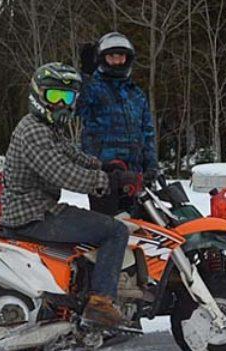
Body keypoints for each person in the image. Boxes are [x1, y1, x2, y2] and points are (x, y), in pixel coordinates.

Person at [0, 62, 137, 329]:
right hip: (33, 215)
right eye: (55, 96)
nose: (62, 104)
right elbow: (62, 172)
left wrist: (104, 166)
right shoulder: (34, 131)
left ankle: (75, 296)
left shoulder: (48, 128)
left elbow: (71, 155)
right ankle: (100, 304)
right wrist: (106, 181)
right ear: (39, 96)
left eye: (68, 97)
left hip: (38, 210)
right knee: (115, 231)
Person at [77, 32, 158, 214]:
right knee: (110, 225)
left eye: (121, 56)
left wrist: (151, 165)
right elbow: (76, 106)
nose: (117, 61)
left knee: (140, 224)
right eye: (112, 56)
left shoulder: (136, 94)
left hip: (135, 175)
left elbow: (147, 133)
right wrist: (85, 75)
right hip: (105, 175)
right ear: (102, 59)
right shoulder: (93, 89)